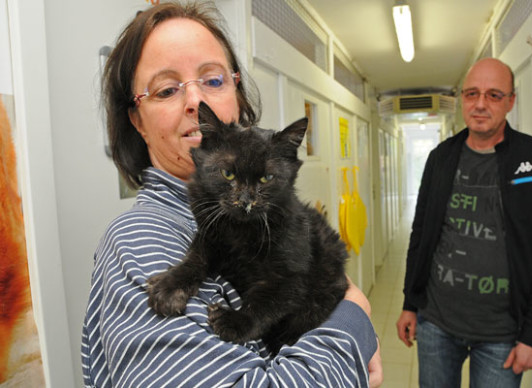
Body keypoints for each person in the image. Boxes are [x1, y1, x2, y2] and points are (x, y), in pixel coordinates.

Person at [81, 2, 382, 387]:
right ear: (137, 120)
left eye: (214, 80)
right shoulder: (139, 241)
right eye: (167, 89)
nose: (194, 101)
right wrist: (354, 316)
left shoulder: (242, 215)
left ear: (237, 95)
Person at [396, 57, 532, 387]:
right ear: (462, 100)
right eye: (472, 94)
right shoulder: (441, 157)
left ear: (511, 100)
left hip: (502, 333)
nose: (481, 104)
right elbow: (421, 235)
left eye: (494, 95)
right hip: (436, 324)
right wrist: (410, 304)